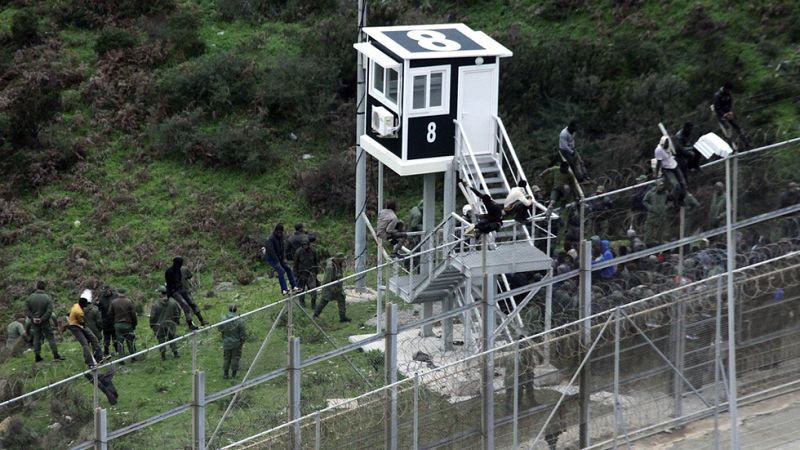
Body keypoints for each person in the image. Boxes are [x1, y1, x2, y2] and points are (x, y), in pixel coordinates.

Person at [26, 280, 64, 362]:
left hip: (34, 322)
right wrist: (42, 319)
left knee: (36, 338)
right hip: (45, 322)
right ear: (44, 288)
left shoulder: (30, 297)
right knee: (50, 338)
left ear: (37, 287)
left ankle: (37, 356)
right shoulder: (47, 298)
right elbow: (49, 311)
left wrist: (33, 318)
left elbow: (27, 310)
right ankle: (56, 355)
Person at [263, 224, 301, 295]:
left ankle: (294, 286)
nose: (280, 233)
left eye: (281, 232)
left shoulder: (281, 237)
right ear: (276, 231)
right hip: (271, 258)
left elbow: (283, 248)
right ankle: (284, 289)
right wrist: (277, 262)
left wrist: (284, 258)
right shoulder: (270, 239)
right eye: (278, 232)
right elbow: (271, 252)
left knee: (288, 269)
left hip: (279, 257)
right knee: (281, 271)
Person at [165, 256, 202, 330]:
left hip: (181, 289)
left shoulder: (178, 269)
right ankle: (190, 324)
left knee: (192, 303)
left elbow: (180, 279)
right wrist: (172, 292)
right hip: (174, 291)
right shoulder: (169, 271)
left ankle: (201, 319)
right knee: (186, 306)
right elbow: (170, 284)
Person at [68, 295, 104, 368]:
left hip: (80, 325)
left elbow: (69, 313)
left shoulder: (76, 305)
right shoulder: (79, 312)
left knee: (94, 339)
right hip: (75, 327)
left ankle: (100, 357)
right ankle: (90, 363)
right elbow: (82, 322)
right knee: (85, 344)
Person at [313, 253, 350, 322]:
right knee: (324, 302)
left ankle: (342, 317)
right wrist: (332, 289)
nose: (343, 261)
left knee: (341, 299)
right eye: (342, 260)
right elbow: (327, 280)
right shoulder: (330, 267)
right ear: (338, 260)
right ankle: (315, 315)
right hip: (329, 288)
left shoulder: (338, 265)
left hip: (337, 287)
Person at [712, 82, 750, 149]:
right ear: (725, 88)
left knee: (737, 127)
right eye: (728, 90)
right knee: (728, 128)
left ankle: (746, 143)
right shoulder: (717, 95)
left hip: (728, 113)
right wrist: (724, 114)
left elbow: (730, 104)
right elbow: (717, 108)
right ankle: (731, 145)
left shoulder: (728, 94)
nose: (729, 91)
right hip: (721, 115)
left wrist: (730, 112)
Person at [150, 285, 181, 360]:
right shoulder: (173, 302)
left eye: (158, 292)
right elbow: (178, 312)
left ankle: (163, 356)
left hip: (159, 325)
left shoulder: (156, 304)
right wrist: (176, 321)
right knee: (172, 338)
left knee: (161, 340)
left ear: (161, 293)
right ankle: (175, 353)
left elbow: (152, 316)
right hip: (171, 324)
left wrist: (152, 325)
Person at [654, 135, 686, 206]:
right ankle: (671, 199)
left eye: (668, 143)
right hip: (667, 169)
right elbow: (658, 163)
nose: (667, 145)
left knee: (683, 183)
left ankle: (681, 199)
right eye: (665, 144)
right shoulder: (658, 150)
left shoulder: (669, 145)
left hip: (674, 165)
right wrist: (656, 174)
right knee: (676, 186)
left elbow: (675, 150)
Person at [109, 291, 137, 361]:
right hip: (128, 324)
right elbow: (133, 314)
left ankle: (121, 359)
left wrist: (114, 323)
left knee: (120, 343)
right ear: (125, 293)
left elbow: (110, 313)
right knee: (130, 341)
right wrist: (134, 324)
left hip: (118, 324)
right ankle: (133, 357)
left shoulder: (113, 302)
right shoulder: (129, 302)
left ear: (118, 293)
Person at [220, 305, 246, 379]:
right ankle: (234, 375)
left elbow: (220, 328)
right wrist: (242, 341)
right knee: (235, 358)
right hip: (236, 343)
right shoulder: (239, 320)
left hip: (226, 342)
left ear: (229, 309)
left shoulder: (223, 319)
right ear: (236, 310)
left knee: (226, 358)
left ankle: (225, 374)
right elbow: (242, 333)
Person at [293, 236, 319, 309]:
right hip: (301, 274)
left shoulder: (313, 251)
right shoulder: (298, 252)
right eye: (303, 244)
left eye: (306, 244)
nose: (305, 246)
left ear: (308, 244)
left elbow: (316, 262)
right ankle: (302, 304)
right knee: (301, 290)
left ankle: (313, 304)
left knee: (313, 289)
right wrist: (296, 274)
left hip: (311, 273)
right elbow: (295, 264)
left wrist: (315, 273)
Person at [179, 262, 207, 327]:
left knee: (185, 308)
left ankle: (190, 324)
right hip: (186, 290)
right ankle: (201, 320)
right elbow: (190, 276)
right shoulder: (184, 268)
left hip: (178, 293)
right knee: (193, 305)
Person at [97, 284, 117, 356]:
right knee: (106, 339)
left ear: (109, 290)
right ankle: (106, 352)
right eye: (103, 291)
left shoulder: (115, 296)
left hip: (114, 320)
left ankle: (117, 350)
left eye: (105, 291)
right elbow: (99, 309)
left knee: (115, 337)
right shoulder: (101, 298)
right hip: (105, 322)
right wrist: (97, 304)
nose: (104, 293)